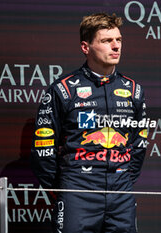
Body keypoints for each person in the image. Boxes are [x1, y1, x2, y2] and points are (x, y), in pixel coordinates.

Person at [31, 12, 147, 233]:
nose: (116, 46)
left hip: (120, 193)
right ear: (86, 47)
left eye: (119, 40)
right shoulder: (64, 90)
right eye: (106, 41)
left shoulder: (134, 91)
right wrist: (65, 188)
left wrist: (122, 178)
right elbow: (42, 150)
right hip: (78, 192)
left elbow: (139, 144)